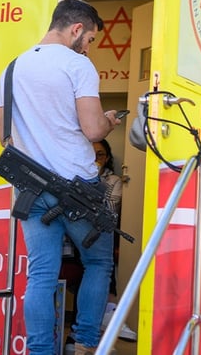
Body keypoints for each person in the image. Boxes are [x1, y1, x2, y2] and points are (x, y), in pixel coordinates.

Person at [0, 0, 121, 355]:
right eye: (91, 39)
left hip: (31, 190)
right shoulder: (77, 66)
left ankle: (40, 351)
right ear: (77, 29)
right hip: (79, 187)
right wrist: (110, 121)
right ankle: (84, 344)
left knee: (41, 275)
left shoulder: (12, 68)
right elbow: (93, 130)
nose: (89, 47)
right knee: (98, 261)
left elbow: (4, 133)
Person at [92, 139, 137, 343]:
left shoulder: (113, 181)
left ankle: (109, 311)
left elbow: (110, 211)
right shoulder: (70, 171)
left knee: (102, 248)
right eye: (90, 154)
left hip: (99, 232)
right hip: (71, 238)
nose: (95, 159)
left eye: (99, 155)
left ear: (107, 158)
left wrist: (93, 180)